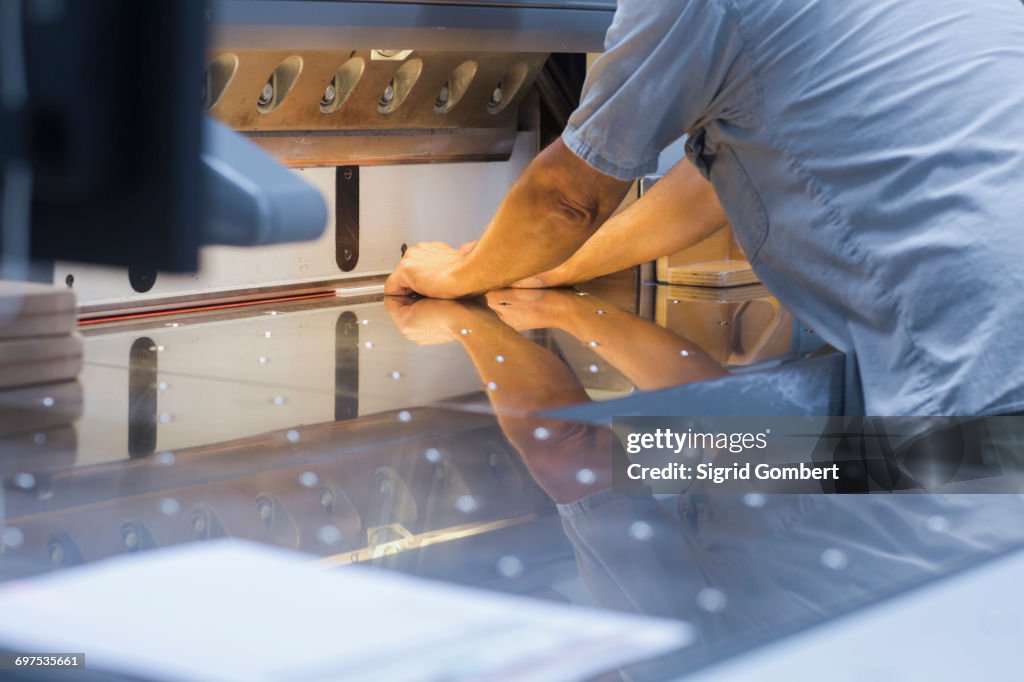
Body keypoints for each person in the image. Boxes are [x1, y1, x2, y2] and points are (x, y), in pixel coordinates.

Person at [385, 0, 1024, 416]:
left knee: (683, 469)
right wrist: (549, 269)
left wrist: (460, 275)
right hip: (992, 364)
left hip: (966, 403)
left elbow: (565, 197)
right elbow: (709, 182)